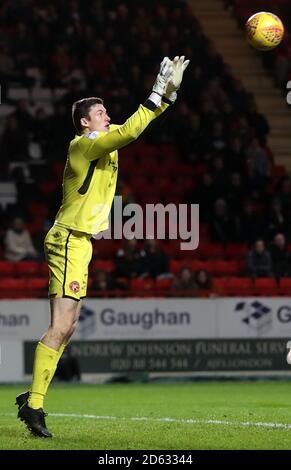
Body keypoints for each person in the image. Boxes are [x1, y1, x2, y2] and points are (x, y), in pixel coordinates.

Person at [16, 56, 190, 437]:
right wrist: (156, 92)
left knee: (69, 326)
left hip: (79, 243)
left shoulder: (102, 146)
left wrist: (168, 99)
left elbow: (131, 130)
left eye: (106, 111)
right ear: (84, 122)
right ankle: (34, 405)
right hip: (67, 239)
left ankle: (34, 397)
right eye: (100, 112)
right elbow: (127, 132)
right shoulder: (84, 144)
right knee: (60, 326)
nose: (106, 115)